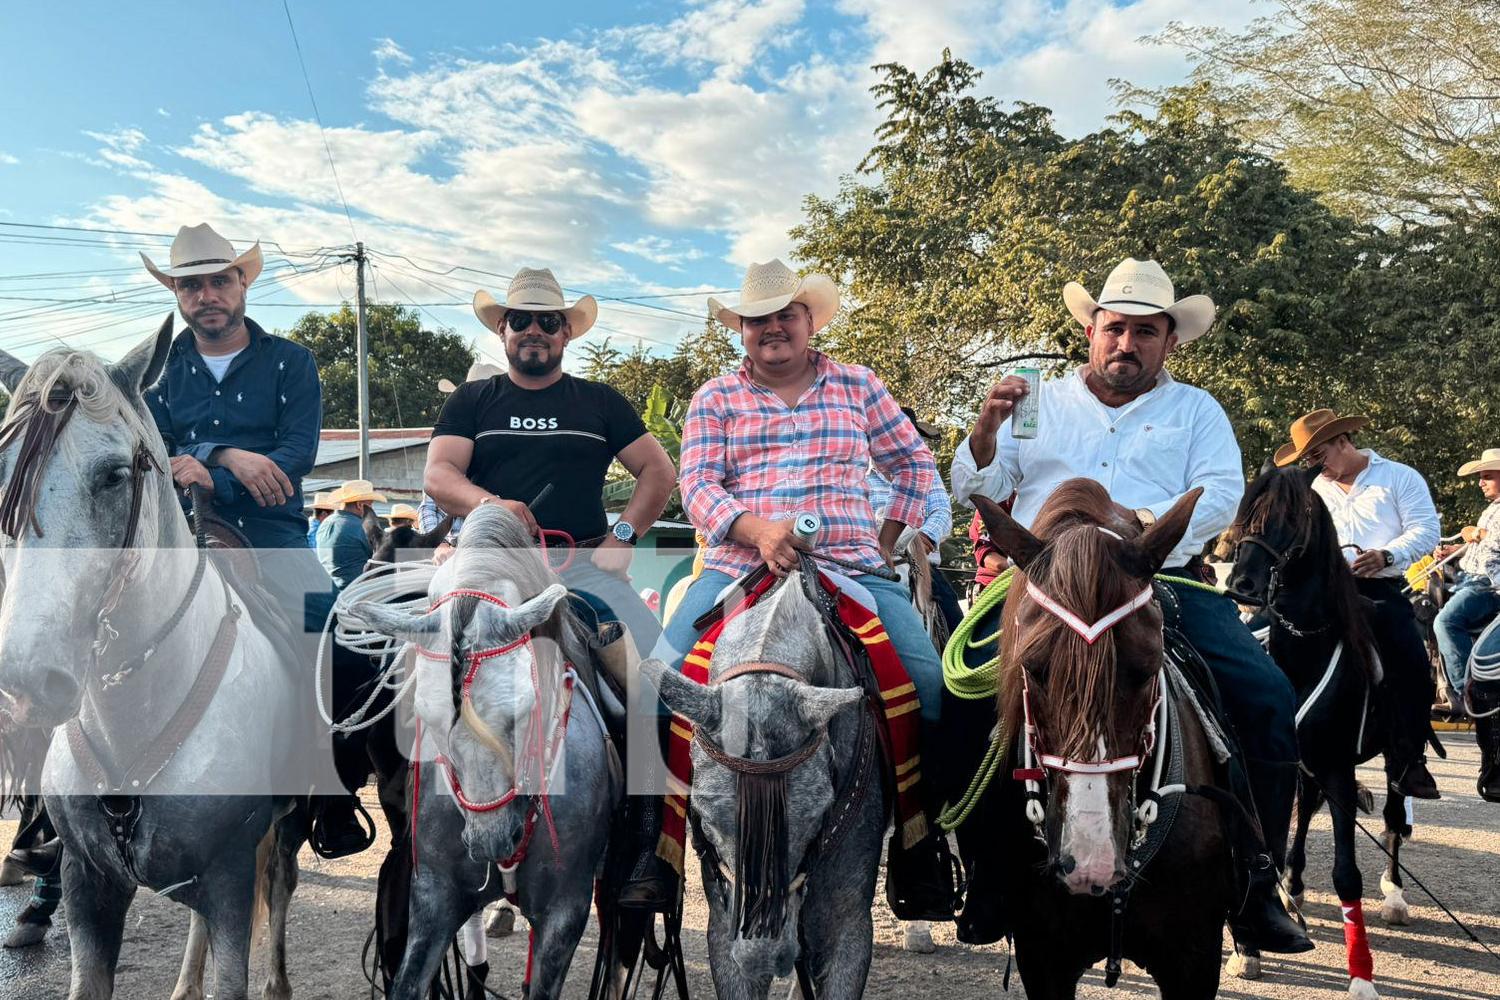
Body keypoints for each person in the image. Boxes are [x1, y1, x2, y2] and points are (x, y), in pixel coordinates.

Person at [952, 257, 1310, 953]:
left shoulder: (1197, 409)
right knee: (956, 700)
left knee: (1265, 698)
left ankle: (1255, 881)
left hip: (1158, 577)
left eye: (1146, 332)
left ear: (1170, 342)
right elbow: (981, 483)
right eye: (1115, 328)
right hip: (1042, 583)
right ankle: (988, 871)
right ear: (1091, 330)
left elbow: (1217, 495)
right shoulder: (1037, 403)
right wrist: (988, 428)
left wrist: (1129, 533)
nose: (1128, 344)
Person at [628, 258, 952, 914]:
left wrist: (884, 541)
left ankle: (922, 845)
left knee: (932, 689)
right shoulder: (715, 397)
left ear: (809, 321)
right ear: (742, 330)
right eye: (759, 319)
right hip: (734, 569)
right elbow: (698, 487)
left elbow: (914, 462)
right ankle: (651, 852)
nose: (773, 327)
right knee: (652, 693)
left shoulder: (859, 386)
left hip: (851, 569)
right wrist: (759, 531)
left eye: (786, 314)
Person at [141, 222, 373, 857]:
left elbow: (296, 453)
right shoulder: (155, 374)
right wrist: (227, 454)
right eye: (192, 285)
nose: (207, 294)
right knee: (94, 626)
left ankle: (329, 792)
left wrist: (212, 473)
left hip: (272, 536)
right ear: (178, 293)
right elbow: (154, 450)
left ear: (243, 283)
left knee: (339, 641)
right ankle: (56, 816)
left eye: (220, 280)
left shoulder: (292, 361)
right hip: (176, 534)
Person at [423, 267, 676, 658]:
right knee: (413, 669)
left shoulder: (600, 400)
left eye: (549, 321)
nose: (534, 330)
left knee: (663, 667)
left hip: (583, 568)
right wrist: (492, 506)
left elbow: (658, 470)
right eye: (521, 320)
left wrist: (623, 537)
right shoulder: (471, 399)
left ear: (566, 333)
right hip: (489, 564)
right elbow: (439, 474)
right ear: (502, 329)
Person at [1275, 409, 1442, 799]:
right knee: (1259, 645)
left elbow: (1426, 529)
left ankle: (1409, 759)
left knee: (1411, 662)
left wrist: (1386, 555)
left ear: (1343, 441)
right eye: (1308, 460)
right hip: (1319, 597)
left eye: (1318, 456)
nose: (1314, 466)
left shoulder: (1399, 477)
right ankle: (1265, 744)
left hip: (1378, 592)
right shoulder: (1310, 490)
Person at [866, 407, 963, 633]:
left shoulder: (927, 469)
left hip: (922, 567)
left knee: (955, 620)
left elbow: (941, 511)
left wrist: (925, 536)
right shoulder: (859, 473)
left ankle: (962, 666)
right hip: (869, 564)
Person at [1432, 449, 1500, 708]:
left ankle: (1466, 692)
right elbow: (1480, 546)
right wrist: (1454, 550)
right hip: (1470, 577)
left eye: (1487, 477)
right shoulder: (1492, 509)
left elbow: (1491, 545)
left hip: (1489, 584)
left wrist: (1477, 535)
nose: (1480, 483)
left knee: (1446, 622)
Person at [317, 480, 386, 592]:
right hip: (357, 592)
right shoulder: (362, 527)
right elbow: (382, 556)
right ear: (359, 505)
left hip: (331, 590)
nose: (372, 510)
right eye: (370, 504)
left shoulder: (325, 523)